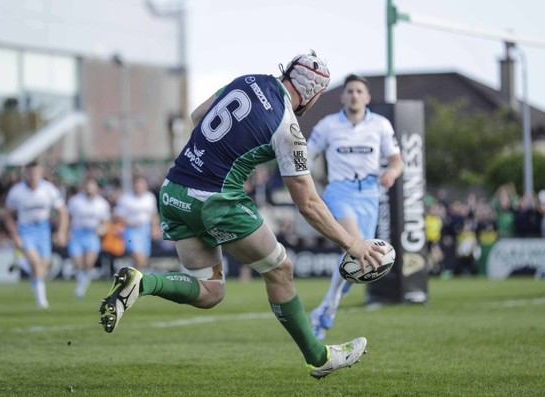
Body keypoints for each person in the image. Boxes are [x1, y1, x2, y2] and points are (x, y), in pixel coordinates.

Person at [98, 51, 385, 379]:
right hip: (216, 200)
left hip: (174, 190)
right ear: (313, 95)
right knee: (280, 268)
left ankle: (142, 282)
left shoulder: (248, 81)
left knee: (210, 292)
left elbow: (197, 115)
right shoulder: (288, 128)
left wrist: (229, 151)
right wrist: (352, 243)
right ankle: (318, 357)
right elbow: (308, 203)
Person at [308, 74, 404, 341]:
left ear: (367, 97)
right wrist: (311, 184)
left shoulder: (380, 125)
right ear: (342, 96)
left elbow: (397, 161)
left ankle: (322, 309)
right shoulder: (328, 125)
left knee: (361, 267)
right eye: (349, 91)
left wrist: (392, 174)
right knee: (356, 248)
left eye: (359, 91)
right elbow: (304, 155)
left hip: (370, 195)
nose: (354, 95)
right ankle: (327, 311)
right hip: (339, 192)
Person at [4, 161, 68, 309]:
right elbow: (7, 215)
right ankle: (42, 302)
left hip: (43, 230)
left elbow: (63, 212)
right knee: (36, 264)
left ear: (40, 174)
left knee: (42, 267)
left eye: (36, 173)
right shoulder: (17, 192)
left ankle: (22, 263)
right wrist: (15, 235)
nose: (33, 176)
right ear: (25, 174)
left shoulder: (48, 189)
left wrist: (61, 232)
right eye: (30, 173)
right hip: (25, 231)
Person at [67, 177, 111, 298]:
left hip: (92, 235)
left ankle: (81, 288)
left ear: (96, 188)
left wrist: (101, 229)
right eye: (87, 186)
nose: (89, 189)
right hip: (77, 234)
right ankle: (81, 284)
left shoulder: (102, 203)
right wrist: (66, 231)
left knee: (88, 263)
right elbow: (68, 217)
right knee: (77, 264)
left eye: (92, 187)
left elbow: (106, 222)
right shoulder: (75, 201)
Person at [113, 175, 159, 271]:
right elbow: (118, 215)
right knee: (137, 255)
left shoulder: (150, 198)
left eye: (141, 185)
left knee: (144, 258)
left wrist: (155, 228)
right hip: (130, 230)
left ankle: (135, 278)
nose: (139, 187)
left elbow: (153, 214)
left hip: (145, 230)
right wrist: (129, 222)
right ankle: (137, 277)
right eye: (137, 184)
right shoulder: (125, 198)